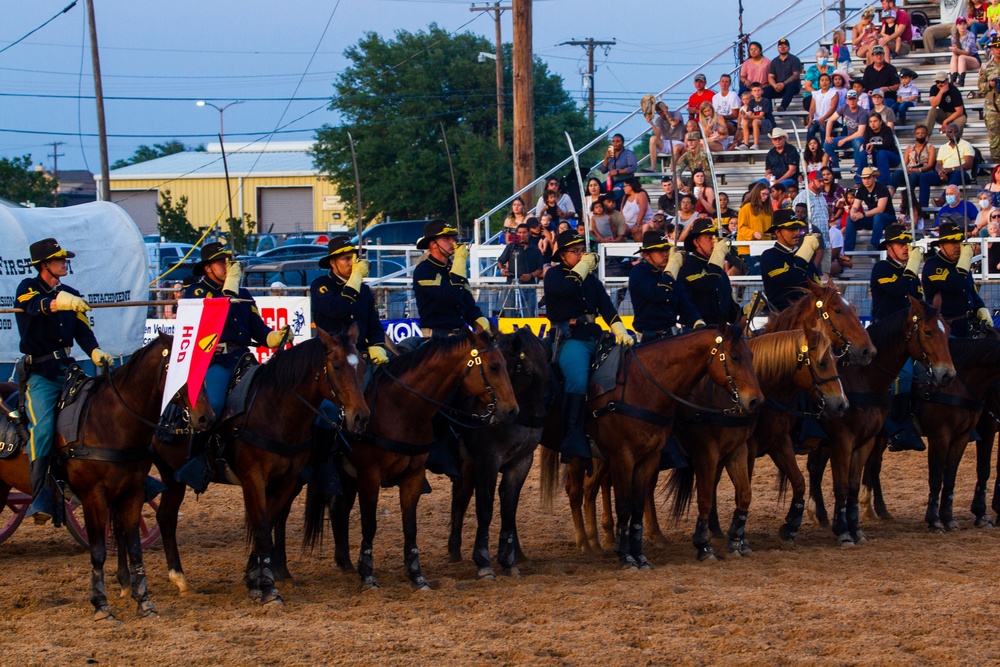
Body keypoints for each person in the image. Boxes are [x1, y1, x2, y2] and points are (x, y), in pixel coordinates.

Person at [178, 240, 292, 491]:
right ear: (208, 268)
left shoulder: (243, 294)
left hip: (242, 358)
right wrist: (229, 290)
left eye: (230, 262)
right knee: (213, 407)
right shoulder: (196, 293)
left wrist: (275, 336)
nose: (229, 267)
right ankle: (195, 461)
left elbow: (258, 329)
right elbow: (212, 321)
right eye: (222, 262)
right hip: (213, 360)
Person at [15, 238, 113, 522]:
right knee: (43, 429)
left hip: (67, 368)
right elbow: (34, 306)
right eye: (59, 259)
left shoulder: (71, 292)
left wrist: (94, 350)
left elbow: (82, 331)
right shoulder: (27, 288)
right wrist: (59, 303)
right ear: (44, 265)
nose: (64, 263)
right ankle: (41, 495)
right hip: (41, 374)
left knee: (101, 410)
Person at [544, 230, 632, 467]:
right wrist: (583, 267)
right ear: (563, 255)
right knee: (578, 379)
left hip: (596, 335)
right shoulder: (553, 275)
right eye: (575, 251)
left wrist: (620, 330)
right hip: (572, 338)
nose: (582, 255)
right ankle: (572, 437)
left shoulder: (591, 280)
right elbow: (567, 289)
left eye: (583, 250)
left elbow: (606, 307)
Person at [870, 223, 925, 452]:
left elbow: (919, 299)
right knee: (904, 374)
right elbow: (900, 289)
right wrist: (912, 266)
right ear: (889, 247)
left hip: (909, 336)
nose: (906, 248)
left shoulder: (908, 273)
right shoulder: (882, 268)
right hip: (886, 337)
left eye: (908, 244)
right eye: (901, 244)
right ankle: (898, 427)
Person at [311, 237, 388, 377]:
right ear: (332, 262)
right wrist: (356, 277)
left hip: (360, 353)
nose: (352, 263)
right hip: (331, 356)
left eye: (354, 258)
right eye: (346, 259)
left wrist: (377, 345)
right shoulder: (321, 285)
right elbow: (337, 310)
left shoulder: (363, 289)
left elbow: (374, 325)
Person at [412, 220, 491, 337]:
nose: (453, 242)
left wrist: (481, 322)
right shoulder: (424, 270)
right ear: (433, 244)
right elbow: (451, 295)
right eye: (446, 239)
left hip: (461, 335)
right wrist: (460, 260)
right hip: (437, 338)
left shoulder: (452, 269)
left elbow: (468, 303)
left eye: (453, 238)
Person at [629, 231, 705, 342]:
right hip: (649, 340)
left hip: (671, 336)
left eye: (667, 250)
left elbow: (685, 306)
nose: (666, 254)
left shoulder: (672, 275)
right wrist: (672, 268)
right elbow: (659, 294)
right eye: (660, 251)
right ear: (646, 255)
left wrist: (698, 323)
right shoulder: (639, 272)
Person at [922, 221, 992, 338]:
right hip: (947, 329)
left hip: (969, 325)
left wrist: (982, 310)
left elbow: (970, 291)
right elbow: (955, 284)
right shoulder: (933, 265)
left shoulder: (960, 264)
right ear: (941, 245)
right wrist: (964, 260)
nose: (958, 246)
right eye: (953, 242)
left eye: (960, 242)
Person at [677, 219, 742, 326]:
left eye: (716, 238)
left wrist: (750, 309)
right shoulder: (687, 264)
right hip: (696, 331)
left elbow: (732, 313)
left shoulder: (719, 271)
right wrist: (718, 255)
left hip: (719, 331)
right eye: (709, 238)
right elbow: (707, 284)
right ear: (696, 242)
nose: (715, 241)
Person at [760, 210, 823, 312]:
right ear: (778, 232)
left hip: (807, 313)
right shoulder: (769, 256)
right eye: (791, 229)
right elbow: (791, 278)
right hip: (781, 316)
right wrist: (806, 249)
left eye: (797, 229)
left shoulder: (803, 255)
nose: (796, 233)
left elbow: (816, 284)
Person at [918, 123, 976, 208]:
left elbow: (968, 164)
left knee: (957, 173)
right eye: (950, 131)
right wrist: (940, 172)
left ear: (959, 132)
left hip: (962, 173)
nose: (953, 133)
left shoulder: (966, 145)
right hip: (946, 172)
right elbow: (938, 164)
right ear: (946, 134)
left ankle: (942, 200)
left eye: (955, 131)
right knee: (924, 177)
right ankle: (922, 208)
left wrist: (950, 169)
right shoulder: (943, 147)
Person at [497, 223, 544, 317]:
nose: (522, 235)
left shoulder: (535, 250)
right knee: (509, 313)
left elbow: (540, 269)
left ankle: (527, 331)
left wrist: (530, 275)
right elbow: (500, 261)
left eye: (524, 232)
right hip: (511, 283)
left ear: (529, 233)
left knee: (529, 314)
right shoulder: (511, 247)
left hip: (528, 284)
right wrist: (502, 270)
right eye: (519, 233)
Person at [848, 166, 896, 250]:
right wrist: (853, 214)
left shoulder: (882, 188)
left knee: (878, 216)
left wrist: (863, 214)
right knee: (850, 219)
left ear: (874, 177)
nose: (866, 181)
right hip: (873, 219)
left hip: (887, 218)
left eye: (868, 178)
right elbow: (855, 206)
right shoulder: (861, 189)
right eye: (864, 178)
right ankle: (848, 250)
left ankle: (874, 245)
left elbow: (880, 209)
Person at [823, 89, 869, 173]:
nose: (852, 101)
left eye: (854, 98)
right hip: (849, 138)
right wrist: (827, 136)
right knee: (827, 144)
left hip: (860, 138)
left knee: (858, 141)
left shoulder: (862, 112)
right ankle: (835, 170)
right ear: (846, 100)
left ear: (857, 99)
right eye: (850, 99)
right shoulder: (844, 108)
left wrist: (844, 140)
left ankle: (858, 167)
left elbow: (860, 133)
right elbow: (830, 120)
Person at [891, 123, 937, 199]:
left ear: (926, 135)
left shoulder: (931, 148)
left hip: (923, 171)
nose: (920, 135)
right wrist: (907, 170)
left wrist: (916, 170)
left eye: (922, 133)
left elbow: (930, 165)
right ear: (915, 135)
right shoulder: (909, 148)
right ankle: (890, 193)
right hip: (910, 170)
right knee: (897, 173)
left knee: (913, 176)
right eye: (918, 133)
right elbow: (904, 163)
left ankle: (907, 196)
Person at [736, 182, 773, 270]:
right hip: (748, 247)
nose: (766, 196)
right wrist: (753, 233)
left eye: (767, 194)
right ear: (757, 193)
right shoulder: (746, 208)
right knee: (757, 269)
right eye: (763, 194)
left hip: (764, 246)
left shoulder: (769, 209)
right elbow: (741, 228)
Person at [858, 112, 900, 186]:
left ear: (880, 122)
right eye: (871, 122)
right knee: (863, 153)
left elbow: (887, 145)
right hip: (877, 158)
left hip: (892, 157)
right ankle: (860, 181)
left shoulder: (887, 129)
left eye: (875, 121)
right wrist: (868, 148)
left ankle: (882, 182)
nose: (872, 124)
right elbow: (865, 144)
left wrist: (873, 145)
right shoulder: (868, 130)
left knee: (881, 153)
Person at [764, 37, 803, 112]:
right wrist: (775, 85)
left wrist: (784, 83)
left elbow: (795, 75)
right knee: (766, 92)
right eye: (780, 46)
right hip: (778, 86)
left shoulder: (794, 60)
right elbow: (770, 76)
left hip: (791, 86)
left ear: (789, 48)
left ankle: (782, 107)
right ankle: (768, 111)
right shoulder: (774, 61)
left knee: (791, 86)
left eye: (784, 46)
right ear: (777, 48)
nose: (782, 48)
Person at [925, 71, 967, 137]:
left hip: (957, 115)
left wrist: (945, 121)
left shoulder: (954, 90)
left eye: (942, 82)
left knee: (958, 124)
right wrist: (941, 92)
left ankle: (956, 141)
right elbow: (933, 104)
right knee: (932, 111)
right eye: (937, 82)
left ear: (947, 81)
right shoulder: (934, 88)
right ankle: (926, 136)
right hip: (944, 113)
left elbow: (959, 112)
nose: (940, 84)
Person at [978, 36, 1000, 162]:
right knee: (995, 140)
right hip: (993, 108)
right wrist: (989, 85)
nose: (998, 50)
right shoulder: (986, 67)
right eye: (996, 47)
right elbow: (980, 87)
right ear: (992, 49)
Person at [861, 45, 900, 111]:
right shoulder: (868, 69)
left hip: (887, 97)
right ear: (872, 56)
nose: (879, 57)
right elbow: (864, 85)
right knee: (865, 106)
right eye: (876, 55)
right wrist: (868, 92)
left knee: (886, 107)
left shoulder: (891, 68)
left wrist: (887, 89)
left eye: (881, 54)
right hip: (872, 98)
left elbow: (897, 85)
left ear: (884, 55)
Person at [737, 82, 775, 150]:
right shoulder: (751, 102)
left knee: (755, 121)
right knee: (746, 120)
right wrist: (745, 116)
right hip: (757, 123)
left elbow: (761, 116)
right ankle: (746, 144)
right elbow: (749, 113)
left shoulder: (765, 101)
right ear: (751, 92)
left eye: (758, 90)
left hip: (767, 122)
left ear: (762, 91)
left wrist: (749, 116)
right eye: (755, 90)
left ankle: (756, 144)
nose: (757, 92)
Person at [598, 133, 638, 197]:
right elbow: (603, 170)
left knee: (616, 192)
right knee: (598, 188)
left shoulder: (628, 153)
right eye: (613, 141)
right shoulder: (610, 155)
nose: (615, 143)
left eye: (618, 141)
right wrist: (606, 158)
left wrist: (618, 172)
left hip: (623, 180)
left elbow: (633, 167)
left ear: (623, 143)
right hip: (611, 181)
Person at [648, 102, 685, 166]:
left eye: (662, 112)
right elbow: (658, 136)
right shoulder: (659, 120)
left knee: (675, 149)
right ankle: (653, 167)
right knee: (652, 139)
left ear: (667, 108)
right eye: (660, 113)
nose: (662, 114)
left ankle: (672, 172)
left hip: (679, 142)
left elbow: (674, 123)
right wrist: (651, 123)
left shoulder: (676, 113)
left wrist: (666, 113)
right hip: (666, 142)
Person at [807, 72, 839, 143]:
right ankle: (809, 148)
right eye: (822, 80)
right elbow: (812, 108)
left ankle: (824, 149)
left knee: (823, 128)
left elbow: (833, 108)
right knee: (811, 129)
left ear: (830, 82)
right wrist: (810, 118)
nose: (824, 82)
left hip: (830, 119)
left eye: (827, 80)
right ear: (819, 83)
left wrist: (823, 118)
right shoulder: (816, 93)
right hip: (817, 119)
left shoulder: (834, 92)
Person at [949, 16, 981, 87]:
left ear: (966, 25)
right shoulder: (954, 36)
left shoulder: (970, 35)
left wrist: (957, 50)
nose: (962, 26)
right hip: (961, 60)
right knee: (954, 57)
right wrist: (954, 50)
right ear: (957, 26)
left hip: (973, 59)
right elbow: (956, 53)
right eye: (960, 24)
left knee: (962, 57)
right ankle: (952, 81)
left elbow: (967, 52)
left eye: (964, 24)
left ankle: (961, 82)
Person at [803, 47, 835, 113]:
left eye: (825, 57)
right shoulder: (812, 69)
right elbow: (807, 86)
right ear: (816, 58)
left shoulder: (832, 69)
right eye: (820, 57)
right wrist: (818, 95)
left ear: (828, 58)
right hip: (812, 96)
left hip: (829, 96)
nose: (822, 58)